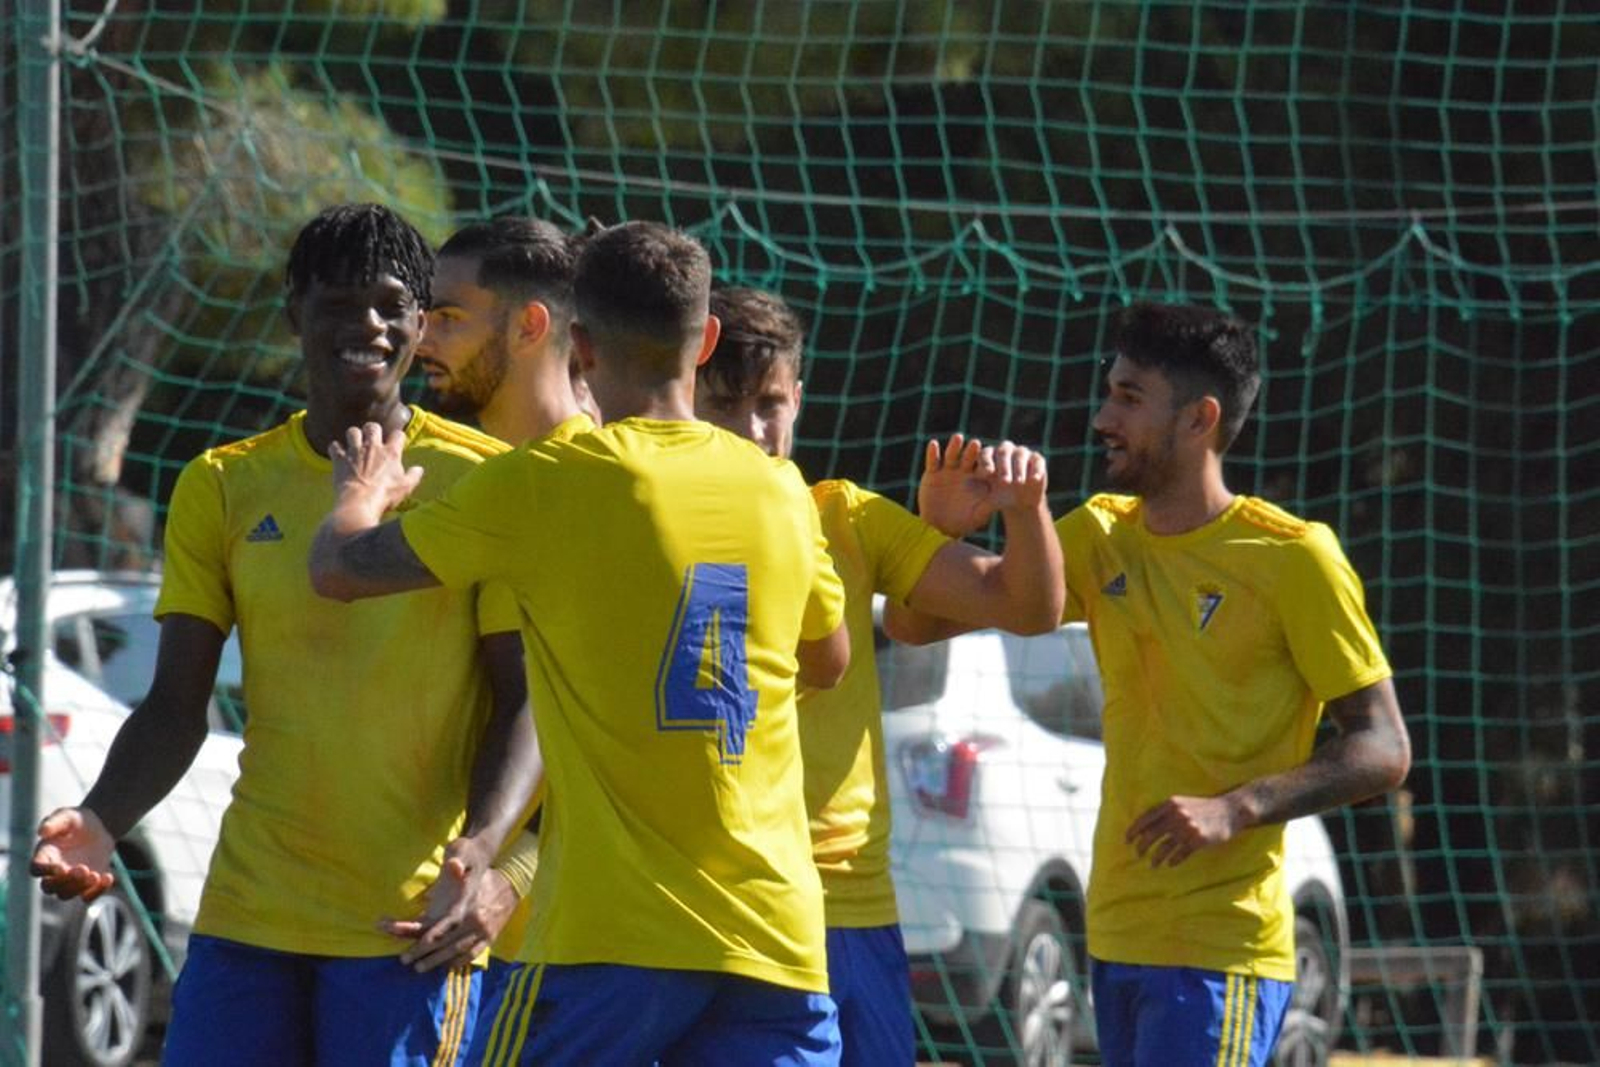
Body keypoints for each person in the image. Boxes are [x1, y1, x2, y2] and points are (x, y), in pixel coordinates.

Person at [307, 220, 852, 1067]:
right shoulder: (782, 489)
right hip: (776, 941)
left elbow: (339, 569)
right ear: (705, 341)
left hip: (613, 942)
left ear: (581, 346)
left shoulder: (553, 481)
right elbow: (829, 659)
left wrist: (360, 492)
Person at [29, 203, 541, 1065]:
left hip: (408, 923)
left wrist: (485, 854)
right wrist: (100, 818)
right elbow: (175, 705)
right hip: (247, 916)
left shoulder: (485, 480)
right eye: (339, 301)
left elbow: (523, 699)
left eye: (390, 305)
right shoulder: (222, 485)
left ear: (420, 325)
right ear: (293, 311)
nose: (368, 324)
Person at [694, 285, 1065, 1065]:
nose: (755, 431)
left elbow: (1027, 605)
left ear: (799, 396)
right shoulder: (649, 514)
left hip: (851, 901)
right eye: (726, 404)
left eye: (770, 403)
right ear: (686, 393)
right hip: (719, 902)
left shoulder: (846, 518)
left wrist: (1024, 508)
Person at [1055, 302, 1410, 1066]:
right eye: (1108, 390)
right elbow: (956, 607)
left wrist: (1238, 806)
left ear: (1199, 419)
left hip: (1221, 949)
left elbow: (1384, 747)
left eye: (1128, 397)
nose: (1101, 417)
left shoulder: (1294, 557)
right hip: (1115, 934)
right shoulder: (1098, 533)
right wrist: (972, 516)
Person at [393, 215, 596, 1054]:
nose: (420, 336)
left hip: (572, 953)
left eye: (447, 316)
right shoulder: (449, 475)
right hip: (447, 936)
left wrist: (509, 878)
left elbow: (620, 748)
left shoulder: (598, 489)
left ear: (530, 325)